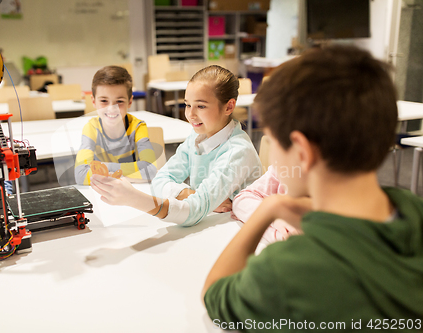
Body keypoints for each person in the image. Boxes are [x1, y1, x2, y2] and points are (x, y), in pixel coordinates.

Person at [203, 45, 423, 331]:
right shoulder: (413, 209)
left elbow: (216, 296)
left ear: (303, 153)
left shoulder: (288, 268)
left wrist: (268, 209)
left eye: (273, 142)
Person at [90, 65, 262, 226]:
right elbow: (160, 180)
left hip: (238, 231)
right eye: (187, 104)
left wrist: (134, 198)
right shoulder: (196, 138)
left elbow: (194, 211)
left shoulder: (237, 151)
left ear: (229, 106)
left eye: (201, 106)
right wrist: (189, 194)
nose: (190, 114)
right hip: (211, 226)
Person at [74, 66, 157, 185]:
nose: (112, 108)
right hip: (102, 194)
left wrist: (101, 168)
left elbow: (150, 170)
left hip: (132, 192)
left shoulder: (138, 127)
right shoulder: (91, 128)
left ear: (129, 101)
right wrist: (130, 172)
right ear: (93, 101)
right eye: (104, 101)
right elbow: (81, 175)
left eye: (119, 101)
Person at [231, 165, 300, 251]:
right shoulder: (282, 168)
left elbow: (294, 242)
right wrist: (274, 218)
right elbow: (241, 200)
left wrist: (260, 219)